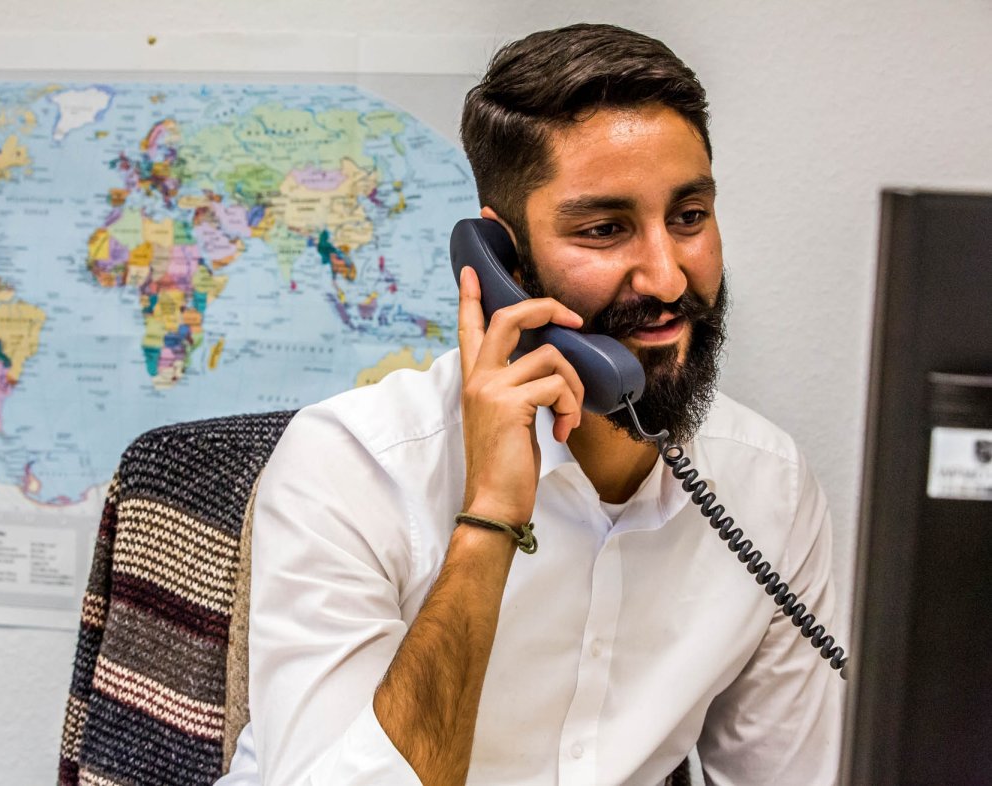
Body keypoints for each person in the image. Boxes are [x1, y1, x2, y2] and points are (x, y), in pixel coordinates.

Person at [222, 22, 841, 786]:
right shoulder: (353, 467)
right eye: (605, 229)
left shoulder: (769, 487)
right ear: (504, 261)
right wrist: (489, 518)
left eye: (687, 218)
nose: (667, 278)